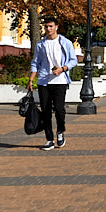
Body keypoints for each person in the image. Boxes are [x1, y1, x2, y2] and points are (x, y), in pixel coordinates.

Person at [28, 16, 78, 150]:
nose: (48, 29)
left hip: (60, 81)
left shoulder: (65, 42)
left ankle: (60, 131)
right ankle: (49, 139)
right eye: (46, 26)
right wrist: (31, 79)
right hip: (44, 81)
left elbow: (73, 60)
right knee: (45, 111)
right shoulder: (40, 44)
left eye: (51, 26)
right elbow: (35, 62)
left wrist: (62, 69)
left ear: (56, 27)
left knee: (60, 110)